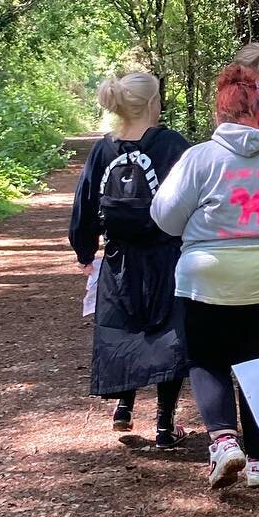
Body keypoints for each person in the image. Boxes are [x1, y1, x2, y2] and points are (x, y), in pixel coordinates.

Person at [151, 62, 259, 490]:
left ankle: (224, 441)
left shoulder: (200, 158)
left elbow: (165, 218)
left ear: (219, 114)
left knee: (207, 359)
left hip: (207, 280)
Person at [68, 72, 191, 447]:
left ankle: (124, 406)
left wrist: (85, 251)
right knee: (169, 334)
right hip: (166, 255)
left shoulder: (104, 149)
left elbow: (85, 203)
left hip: (120, 257)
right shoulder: (172, 144)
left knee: (124, 328)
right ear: (154, 103)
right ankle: (165, 425)